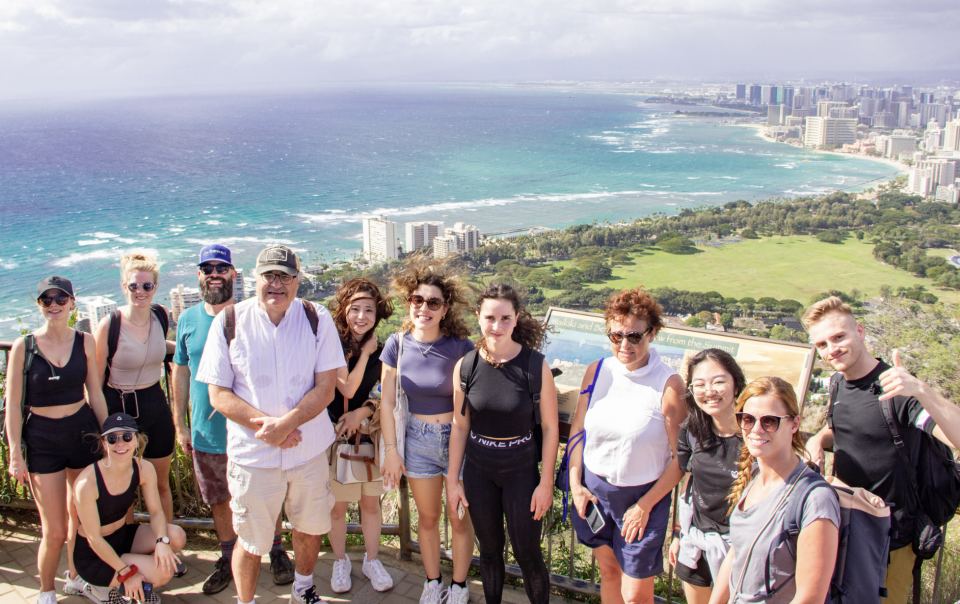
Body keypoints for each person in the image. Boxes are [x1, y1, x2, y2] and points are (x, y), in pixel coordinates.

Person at [197, 245, 345, 604]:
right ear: (255, 277)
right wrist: (271, 429)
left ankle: (303, 589)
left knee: (310, 529)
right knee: (249, 542)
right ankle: (246, 602)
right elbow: (218, 394)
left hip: (307, 451)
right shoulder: (229, 321)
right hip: (254, 457)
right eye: (270, 275)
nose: (277, 284)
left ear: (297, 281)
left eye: (285, 276)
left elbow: (326, 387)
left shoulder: (316, 317)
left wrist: (287, 424)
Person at [802, 297, 960, 604]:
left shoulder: (897, 390)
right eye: (822, 344)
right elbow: (850, 427)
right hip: (845, 529)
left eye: (839, 337)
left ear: (859, 332)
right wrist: (818, 440)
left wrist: (921, 390)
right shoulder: (837, 384)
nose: (831, 349)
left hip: (891, 539)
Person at [171, 245, 294, 595]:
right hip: (207, 432)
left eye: (221, 268)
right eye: (207, 268)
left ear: (233, 274)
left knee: (267, 493)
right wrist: (180, 423)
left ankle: (276, 549)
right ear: (199, 275)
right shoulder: (187, 320)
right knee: (219, 498)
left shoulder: (249, 315)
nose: (214, 274)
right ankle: (227, 556)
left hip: (251, 429)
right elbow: (179, 370)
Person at [567, 287, 687, 604]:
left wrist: (645, 505)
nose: (624, 345)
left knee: (635, 596)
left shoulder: (669, 385)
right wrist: (575, 485)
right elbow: (578, 430)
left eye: (634, 336)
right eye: (615, 335)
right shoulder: (597, 371)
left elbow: (681, 459)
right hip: (594, 492)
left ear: (653, 333)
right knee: (608, 573)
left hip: (643, 498)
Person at [447, 283, 560, 604]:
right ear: (478, 318)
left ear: (517, 318)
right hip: (479, 469)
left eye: (505, 318)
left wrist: (546, 482)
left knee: (527, 553)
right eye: (490, 318)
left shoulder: (534, 366)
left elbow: (551, 429)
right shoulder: (466, 367)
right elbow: (460, 426)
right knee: (490, 552)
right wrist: (453, 480)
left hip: (521, 470)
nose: (497, 326)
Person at [4, 276, 109, 604]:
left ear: (72, 302)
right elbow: (13, 408)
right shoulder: (25, 346)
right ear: (39, 306)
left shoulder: (85, 342)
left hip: (82, 432)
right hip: (42, 440)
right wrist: (15, 456)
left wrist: (107, 436)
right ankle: (46, 590)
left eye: (60, 299)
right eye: (46, 300)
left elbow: (95, 392)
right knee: (54, 527)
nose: (53, 305)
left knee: (81, 517)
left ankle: (76, 578)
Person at [379, 254, 476, 604]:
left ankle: (460, 585)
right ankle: (433, 581)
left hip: (457, 440)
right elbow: (387, 403)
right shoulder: (397, 345)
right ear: (409, 302)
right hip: (416, 440)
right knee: (430, 518)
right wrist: (392, 451)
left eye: (433, 302)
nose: (424, 308)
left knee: (459, 517)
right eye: (418, 300)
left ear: (445, 307)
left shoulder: (462, 348)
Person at [708, 377, 840, 604]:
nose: (756, 429)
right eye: (747, 419)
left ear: (794, 424)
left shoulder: (815, 499)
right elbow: (737, 553)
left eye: (769, 421)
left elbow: (810, 598)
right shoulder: (756, 478)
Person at [95, 252, 176, 522]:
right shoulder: (110, 325)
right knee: (123, 487)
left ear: (155, 288)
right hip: (119, 407)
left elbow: (158, 348)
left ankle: (166, 546)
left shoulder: (161, 316)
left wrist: (191, 352)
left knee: (161, 483)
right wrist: (101, 425)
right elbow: (95, 381)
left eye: (147, 286)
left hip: (155, 403)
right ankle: (126, 543)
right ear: (124, 287)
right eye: (134, 286)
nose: (140, 291)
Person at [326, 278, 394, 594]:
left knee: (370, 504)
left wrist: (362, 412)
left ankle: (370, 559)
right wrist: (365, 353)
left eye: (369, 310)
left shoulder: (385, 352)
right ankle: (340, 560)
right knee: (338, 507)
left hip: (368, 438)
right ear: (344, 311)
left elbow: (383, 395)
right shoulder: (332, 346)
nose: (362, 317)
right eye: (355, 309)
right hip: (339, 439)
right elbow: (347, 387)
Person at [73, 413, 187, 604]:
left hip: (121, 537)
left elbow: (157, 513)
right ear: (104, 444)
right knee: (162, 574)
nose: (120, 444)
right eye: (112, 438)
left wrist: (161, 541)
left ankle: (132, 576)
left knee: (176, 536)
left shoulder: (144, 468)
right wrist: (127, 573)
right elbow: (94, 539)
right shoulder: (86, 483)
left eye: (126, 437)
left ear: (136, 441)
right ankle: (99, 587)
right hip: (93, 555)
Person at [667, 350, 745, 604]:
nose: (709, 391)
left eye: (719, 381)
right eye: (699, 384)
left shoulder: (756, 434)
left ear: (736, 383)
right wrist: (679, 533)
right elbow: (690, 483)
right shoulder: (692, 430)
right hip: (697, 543)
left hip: (744, 547)